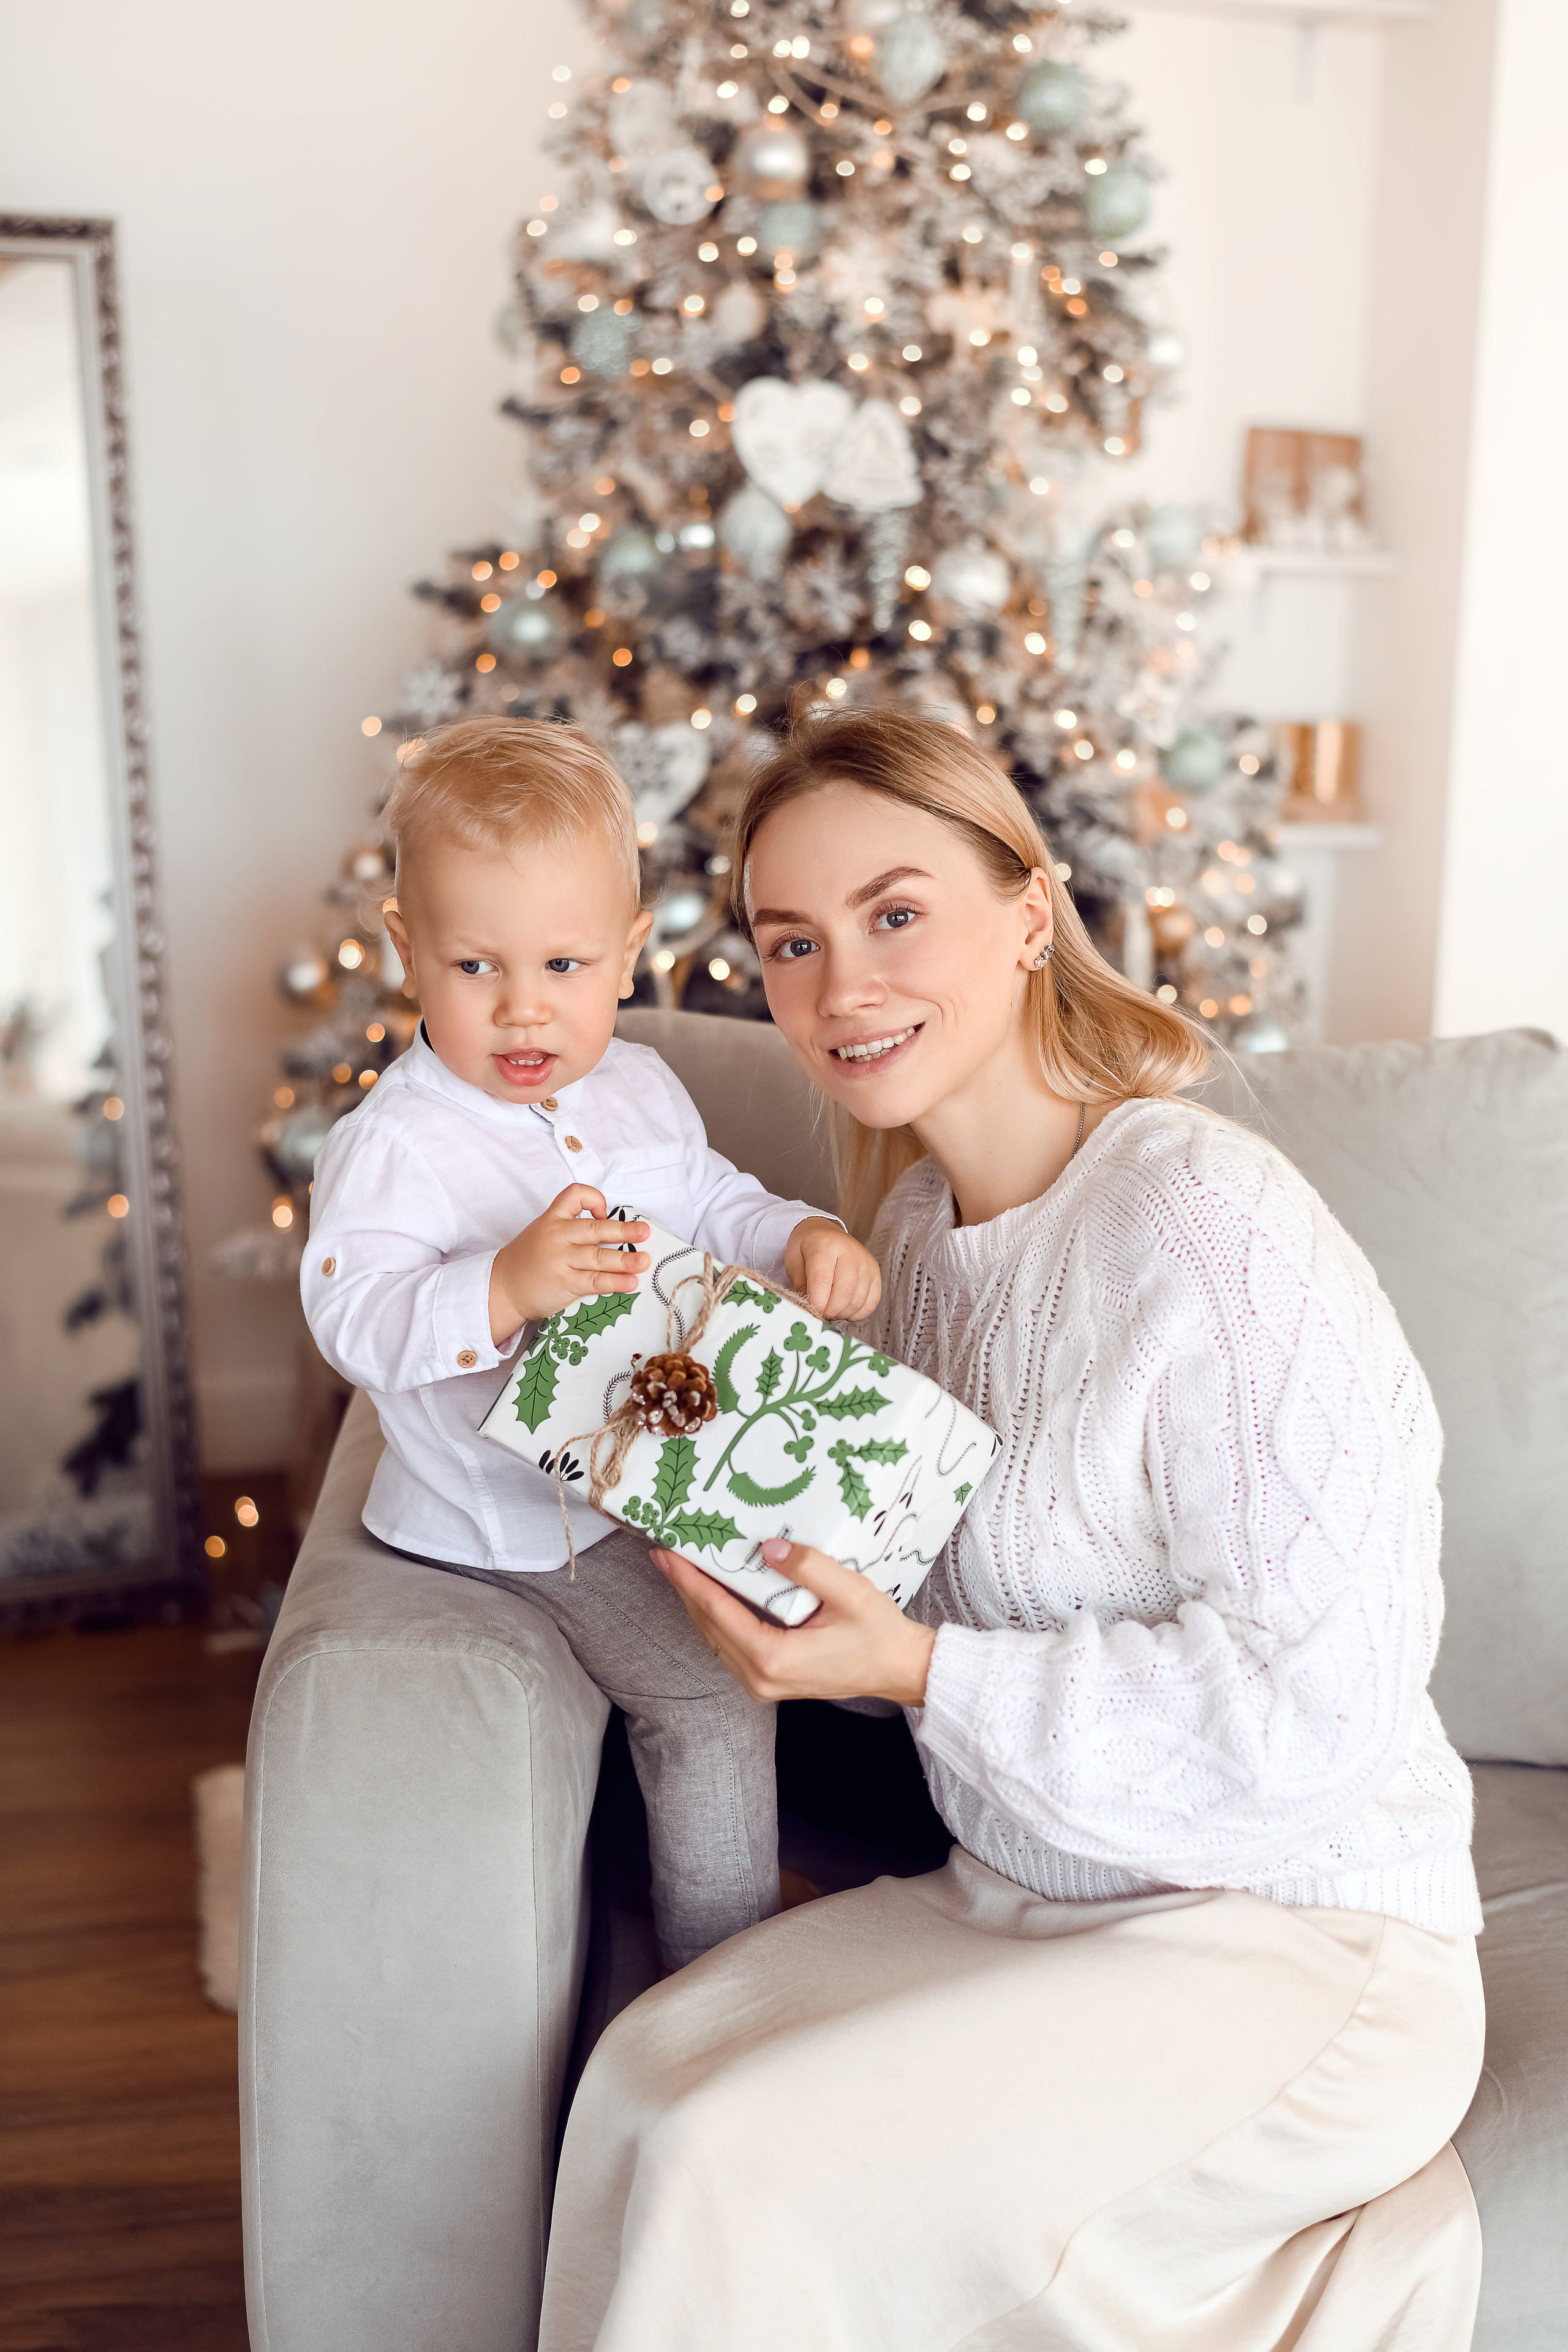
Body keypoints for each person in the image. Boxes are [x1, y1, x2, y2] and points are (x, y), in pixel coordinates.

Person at [538, 706, 1485, 2351]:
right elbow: (917, 1614)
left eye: (897, 914)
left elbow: (1314, 1708)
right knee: (642, 2075)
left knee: (735, 2164)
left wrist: (914, 1670)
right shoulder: (912, 1232)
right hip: (1031, 1899)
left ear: (1029, 913)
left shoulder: (1202, 1218)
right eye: (791, 942)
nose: (842, 987)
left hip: (1302, 1936)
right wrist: (775, 1592)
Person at [301, 715, 880, 1971]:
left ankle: (902, 1848)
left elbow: (715, 1196)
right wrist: (500, 1286)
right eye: (475, 968)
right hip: (529, 1520)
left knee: (844, 1564)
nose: (523, 1009)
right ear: (408, 951)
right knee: (708, 1691)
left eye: (564, 964)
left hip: (662, 1457)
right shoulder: (399, 1144)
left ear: (627, 956)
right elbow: (353, 1319)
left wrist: (798, 1237)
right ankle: (716, 1979)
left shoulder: (637, 1087)